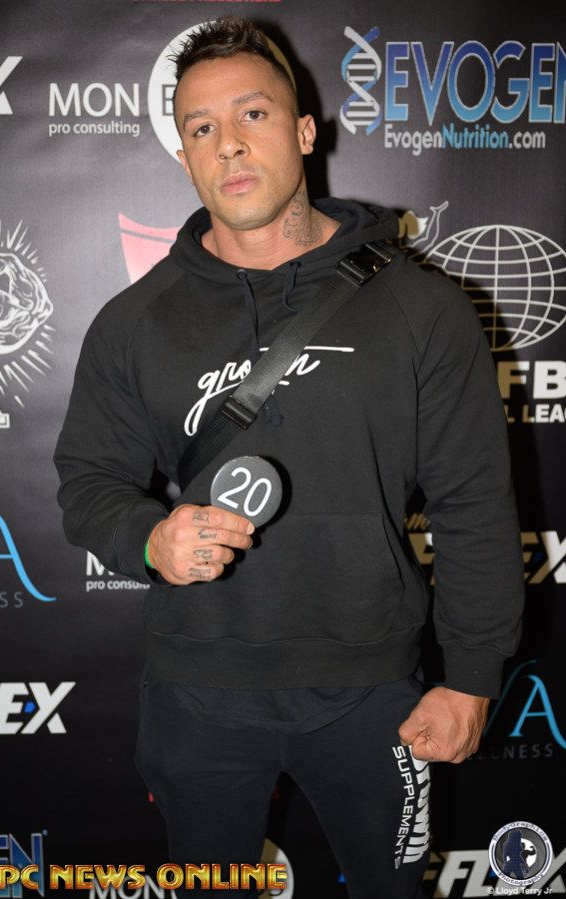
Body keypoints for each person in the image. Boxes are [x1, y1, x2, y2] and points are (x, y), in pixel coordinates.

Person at [54, 16, 524, 898]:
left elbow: (472, 504)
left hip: (372, 692)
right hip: (197, 693)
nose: (228, 143)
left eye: (253, 114)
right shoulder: (132, 323)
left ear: (305, 132)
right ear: (184, 157)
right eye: (201, 127)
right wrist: (150, 539)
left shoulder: (421, 309)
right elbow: (89, 483)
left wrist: (470, 677)